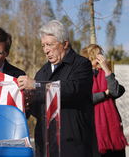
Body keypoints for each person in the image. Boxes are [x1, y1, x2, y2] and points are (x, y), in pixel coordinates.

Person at [17, 20, 95, 157]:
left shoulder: (82, 64)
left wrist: (36, 85)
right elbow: (38, 110)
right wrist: (29, 102)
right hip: (45, 146)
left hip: (73, 145)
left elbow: (71, 90)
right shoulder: (42, 72)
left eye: (50, 45)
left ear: (65, 44)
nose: (46, 50)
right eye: (43, 46)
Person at [81, 44, 128, 157]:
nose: (100, 58)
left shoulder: (107, 74)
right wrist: (105, 94)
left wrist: (107, 69)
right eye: (96, 55)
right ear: (88, 59)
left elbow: (116, 91)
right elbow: (86, 99)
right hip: (93, 126)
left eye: (100, 55)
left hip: (112, 126)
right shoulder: (83, 76)